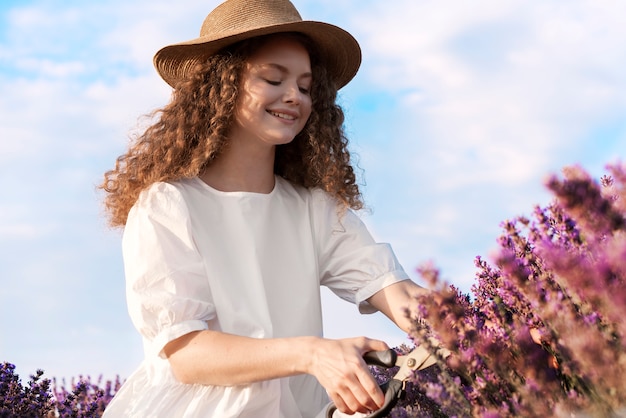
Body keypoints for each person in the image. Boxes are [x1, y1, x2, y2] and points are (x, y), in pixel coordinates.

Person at [100, 0, 429, 416]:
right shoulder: (168, 205)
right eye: (274, 79)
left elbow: (392, 288)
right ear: (222, 85)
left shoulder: (314, 210)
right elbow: (185, 353)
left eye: (306, 87)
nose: (294, 96)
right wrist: (312, 355)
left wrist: (475, 331)